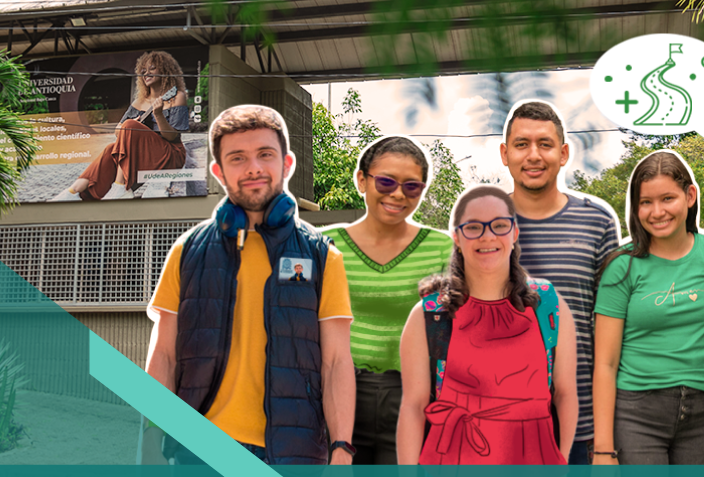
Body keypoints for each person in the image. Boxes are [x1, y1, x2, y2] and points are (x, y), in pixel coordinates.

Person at [144, 105, 356, 464]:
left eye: (265, 154)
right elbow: (164, 354)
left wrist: (342, 449)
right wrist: (152, 436)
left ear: (286, 164)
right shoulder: (187, 251)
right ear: (218, 171)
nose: (254, 167)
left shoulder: (322, 256)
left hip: (293, 455)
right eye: (238, 158)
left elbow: (336, 362)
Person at [397, 185, 578, 465]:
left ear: (515, 233)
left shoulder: (549, 306)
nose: (488, 236)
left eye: (499, 225)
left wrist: (561, 459)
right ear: (456, 237)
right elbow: (413, 406)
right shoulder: (429, 315)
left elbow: (564, 394)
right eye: (473, 228)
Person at [319, 135, 454, 465]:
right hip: (338, 396)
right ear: (361, 180)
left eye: (412, 187)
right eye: (386, 181)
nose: (398, 194)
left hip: (412, 397)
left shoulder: (441, 248)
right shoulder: (325, 245)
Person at [499, 100, 621, 464]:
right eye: (521, 144)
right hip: (500, 419)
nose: (533, 155)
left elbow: (610, 328)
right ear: (505, 154)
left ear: (564, 153)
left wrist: (606, 438)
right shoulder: (482, 222)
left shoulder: (597, 221)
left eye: (545, 144)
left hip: (582, 423)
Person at [591, 150, 704, 465]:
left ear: (690, 196)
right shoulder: (622, 267)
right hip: (638, 414)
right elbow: (605, 364)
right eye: (645, 202)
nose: (657, 211)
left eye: (667, 198)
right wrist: (603, 449)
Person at [52, 50, 190, 201]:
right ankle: (75, 191)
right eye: (143, 71)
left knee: (129, 125)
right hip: (145, 152)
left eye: (152, 68)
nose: (147, 73)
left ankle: (120, 185)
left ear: (164, 71)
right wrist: (131, 126)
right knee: (111, 148)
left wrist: (158, 115)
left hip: (170, 153)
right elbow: (118, 130)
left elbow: (172, 137)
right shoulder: (139, 102)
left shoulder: (176, 97)